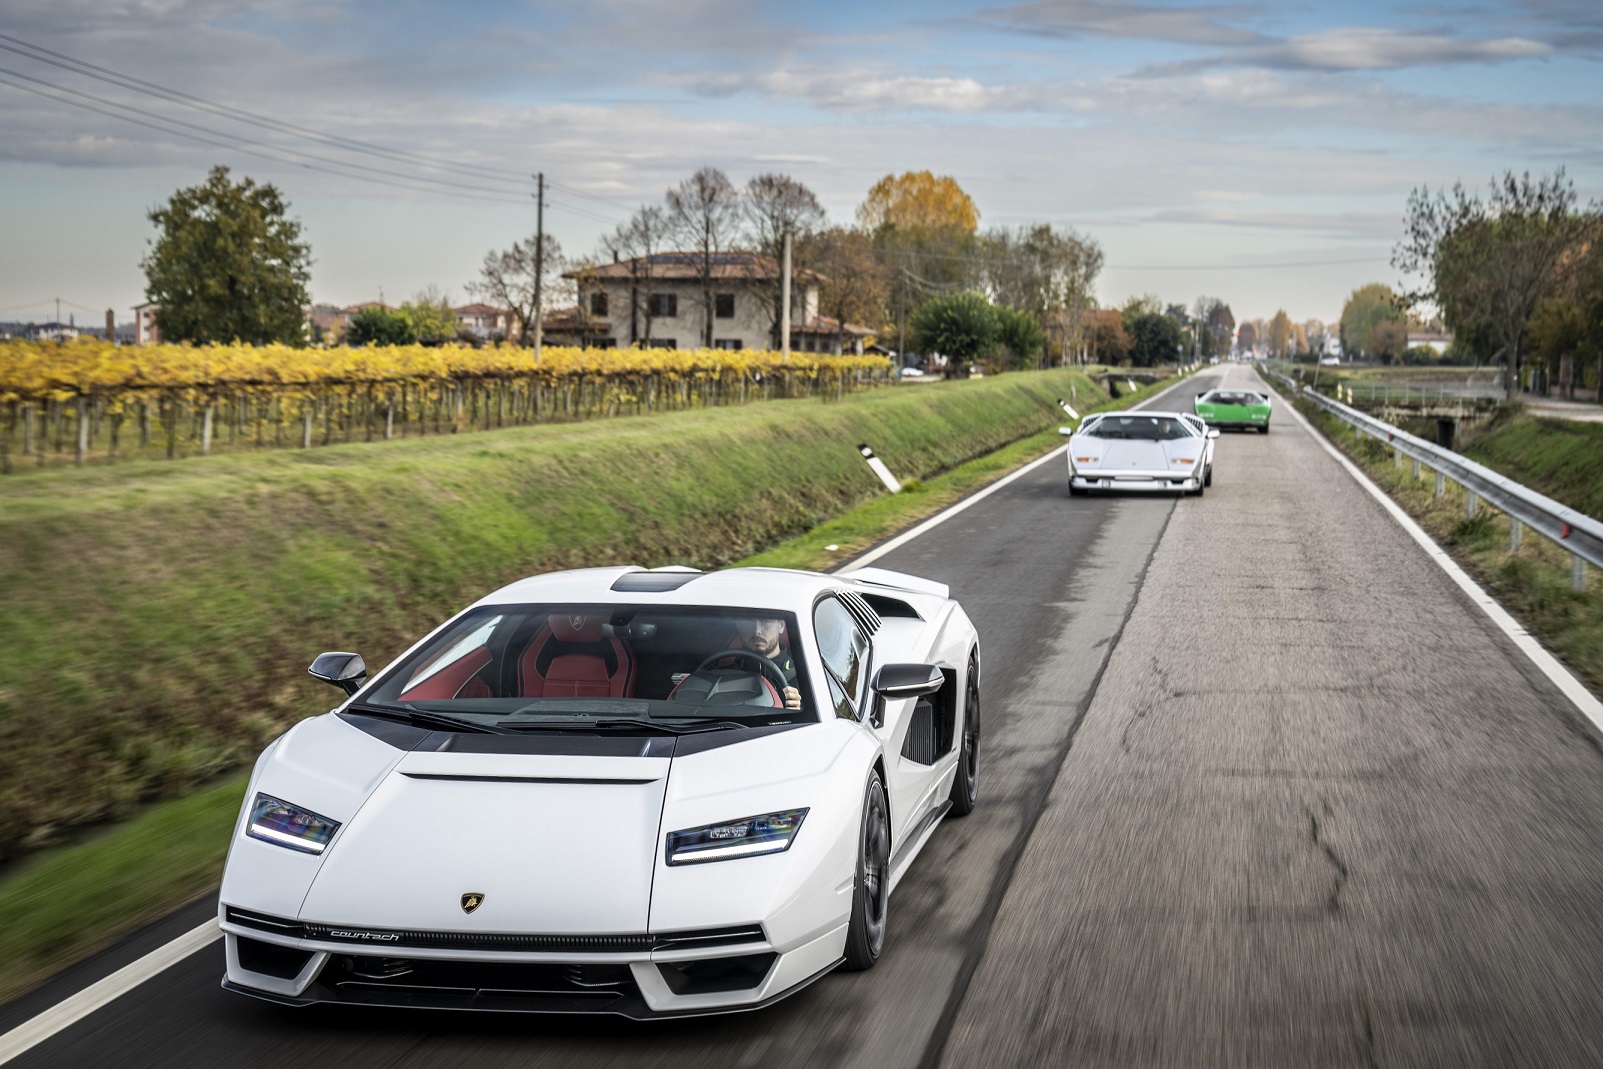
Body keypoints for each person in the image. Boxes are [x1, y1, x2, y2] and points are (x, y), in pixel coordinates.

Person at [734, 617, 802, 710]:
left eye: (766, 622)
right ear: (739, 626)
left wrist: (797, 710)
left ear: (781, 626)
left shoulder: (804, 676)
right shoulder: (723, 673)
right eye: (749, 622)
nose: (757, 631)